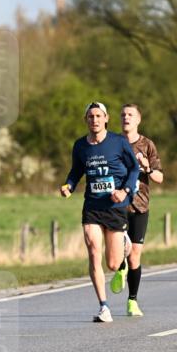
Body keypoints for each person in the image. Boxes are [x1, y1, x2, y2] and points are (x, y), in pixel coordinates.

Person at [60, 102, 140, 322]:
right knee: (93, 250)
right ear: (86, 120)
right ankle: (104, 307)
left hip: (114, 206)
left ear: (106, 118)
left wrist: (124, 191)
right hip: (92, 206)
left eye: (98, 116)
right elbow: (76, 171)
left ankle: (124, 243)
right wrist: (69, 185)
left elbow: (134, 168)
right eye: (90, 116)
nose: (94, 120)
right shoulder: (80, 146)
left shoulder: (119, 142)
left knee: (113, 264)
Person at [110, 104, 163, 316]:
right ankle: (120, 267)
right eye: (122, 114)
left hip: (140, 205)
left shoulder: (147, 145)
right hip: (118, 204)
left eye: (130, 115)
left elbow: (160, 177)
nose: (126, 118)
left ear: (138, 119)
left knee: (135, 257)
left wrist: (147, 167)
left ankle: (132, 301)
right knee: (122, 249)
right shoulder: (113, 143)